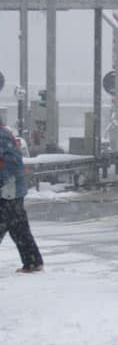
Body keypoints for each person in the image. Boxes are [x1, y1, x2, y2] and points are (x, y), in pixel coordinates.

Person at [0, 115, 44, 273]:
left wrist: (3, 180)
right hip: (11, 189)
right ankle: (33, 262)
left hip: (8, 190)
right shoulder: (5, 135)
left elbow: (10, 164)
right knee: (19, 227)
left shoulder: (1, 137)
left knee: (13, 225)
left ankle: (33, 262)